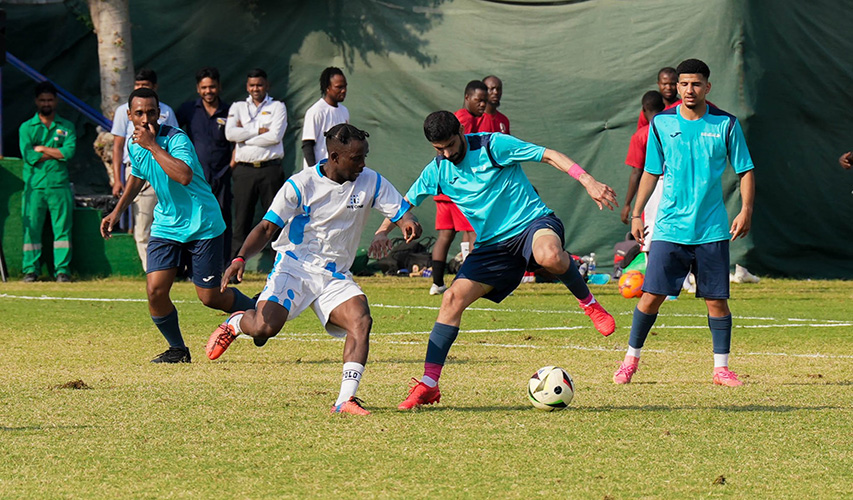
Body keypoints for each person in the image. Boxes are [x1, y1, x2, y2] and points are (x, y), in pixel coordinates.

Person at [378, 111, 618, 410]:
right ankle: (429, 384)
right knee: (451, 298)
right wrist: (382, 231)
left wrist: (588, 181)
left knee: (550, 256)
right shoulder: (438, 170)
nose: (448, 153)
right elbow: (404, 203)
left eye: (451, 145)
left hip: (532, 223)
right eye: (439, 149)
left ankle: (589, 304)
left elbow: (549, 155)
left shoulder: (493, 146)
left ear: (461, 130)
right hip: (493, 246)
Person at [205, 124, 421, 416]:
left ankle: (345, 400)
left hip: (335, 276)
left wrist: (407, 221)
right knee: (264, 328)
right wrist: (240, 257)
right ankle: (236, 323)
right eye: (356, 158)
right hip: (295, 267)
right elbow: (267, 226)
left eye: (364, 157)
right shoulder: (301, 184)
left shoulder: (370, 180)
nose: (363, 164)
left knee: (361, 320)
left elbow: (400, 210)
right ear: (335, 156)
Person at [613, 59, 755, 387]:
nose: (689, 90)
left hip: (711, 229)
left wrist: (746, 209)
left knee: (716, 300)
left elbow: (746, 170)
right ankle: (630, 360)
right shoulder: (662, 123)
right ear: (676, 87)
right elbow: (651, 172)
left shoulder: (726, 124)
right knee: (650, 297)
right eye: (684, 84)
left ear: (707, 87)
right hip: (669, 227)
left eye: (696, 84)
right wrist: (637, 213)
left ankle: (721, 370)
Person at [101, 88, 255, 363]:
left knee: (209, 298)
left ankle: (256, 309)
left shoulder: (175, 138)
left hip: (202, 224)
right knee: (155, 291)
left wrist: (153, 145)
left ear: (160, 113)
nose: (145, 118)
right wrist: (117, 211)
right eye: (139, 113)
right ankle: (178, 349)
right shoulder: (135, 144)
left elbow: (183, 176)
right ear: (129, 116)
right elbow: (137, 177)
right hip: (167, 225)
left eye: (151, 112)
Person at [111, 68, 179, 271]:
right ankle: (153, 272)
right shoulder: (124, 113)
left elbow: (175, 146)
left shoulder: (167, 113)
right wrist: (117, 179)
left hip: (165, 170)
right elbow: (117, 146)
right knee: (142, 228)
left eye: (146, 87)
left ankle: (173, 269)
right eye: (138, 87)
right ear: (131, 114)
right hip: (137, 170)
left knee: (170, 222)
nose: (145, 118)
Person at [426, 81, 488, 296]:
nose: (483, 104)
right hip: (455, 188)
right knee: (472, 234)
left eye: (485, 101)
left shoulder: (472, 118)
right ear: (466, 98)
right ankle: (472, 282)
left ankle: (437, 283)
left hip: (443, 189)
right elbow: (459, 154)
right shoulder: (463, 121)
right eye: (478, 100)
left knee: (446, 236)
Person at [225, 68, 287, 261]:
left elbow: (275, 136)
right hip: (245, 170)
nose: (255, 88)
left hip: (270, 169)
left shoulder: (278, 107)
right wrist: (259, 131)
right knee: (241, 221)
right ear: (247, 86)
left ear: (266, 85)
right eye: (252, 85)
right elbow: (230, 134)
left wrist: (245, 137)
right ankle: (235, 267)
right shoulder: (238, 107)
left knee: (276, 219)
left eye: (259, 85)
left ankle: (281, 266)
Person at [19, 81, 76, 283]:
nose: (46, 103)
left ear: (56, 101)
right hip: (34, 187)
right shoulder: (26, 127)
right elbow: (28, 156)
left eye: (50, 99)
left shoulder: (66, 127)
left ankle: (62, 271)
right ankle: (30, 270)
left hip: (59, 186)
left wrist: (42, 149)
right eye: (42, 100)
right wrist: (55, 154)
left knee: (62, 230)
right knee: (31, 229)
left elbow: (68, 153)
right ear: (36, 101)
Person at [177, 67, 234, 266]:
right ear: (197, 89)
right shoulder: (188, 110)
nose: (208, 91)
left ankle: (225, 267)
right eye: (204, 88)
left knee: (223, 219)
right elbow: (174, 133)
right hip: (195, 177)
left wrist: (232, 163)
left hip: (223, 175)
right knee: (193, 219)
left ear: (218, 87)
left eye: (212, 87)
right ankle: (190, 267)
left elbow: (238, 141)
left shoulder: (230, 111)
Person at [621, 91, 665, 228]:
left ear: (643, 109)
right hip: (678, 183)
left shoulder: (641, 135)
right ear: (663, 107)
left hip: (653, 186)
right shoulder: (673, 130)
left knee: (650, 228)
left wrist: (628, 203)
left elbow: (636, 172)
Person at [301, 67, 349, 170]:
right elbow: (307, 145)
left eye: (345, 86)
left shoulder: (344, 111)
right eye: (339, 87)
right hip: (320, 172)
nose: (343, 90)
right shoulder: (316, 111)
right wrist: (314, 172)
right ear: (327, 88)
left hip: (337, 173)